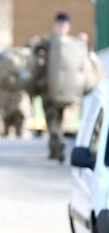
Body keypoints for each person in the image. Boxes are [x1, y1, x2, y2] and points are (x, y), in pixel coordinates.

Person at [29, 12, 88, 162]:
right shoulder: (57, 41)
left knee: (54, 121)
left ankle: (57, 145)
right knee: (55, 120)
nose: (61, 28)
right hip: (56, 90)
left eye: (63, 25)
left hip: (51, 89)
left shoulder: (57, 42)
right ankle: (55, 148)